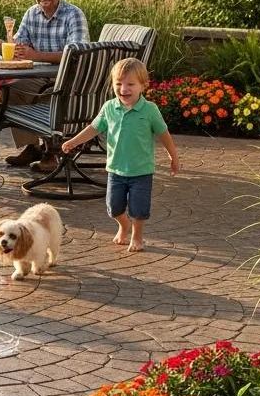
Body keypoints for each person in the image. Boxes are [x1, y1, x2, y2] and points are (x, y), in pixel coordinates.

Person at [61, 58, 180, 253]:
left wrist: (173, 157)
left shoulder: (150, 110)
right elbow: (93, 128)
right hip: (116, 169)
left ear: (143, 85)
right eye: (118, 84)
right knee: (114, 208)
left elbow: (163, 134)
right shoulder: (109, 107)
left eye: (130, 84)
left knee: (139, 210)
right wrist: (74, 141)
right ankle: (123, 225)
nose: (124, 89)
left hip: (141, 171)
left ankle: (137, 236)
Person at [4, 0, 89, 170]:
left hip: (70, 81)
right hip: (42, 78)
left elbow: (77, 55)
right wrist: (8, 46)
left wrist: (37, 55)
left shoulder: (73, 15)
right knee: (10, 89)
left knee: (47, 95)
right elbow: (20, 46)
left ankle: (52, 153)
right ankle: (32, 147)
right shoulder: (31, 13)